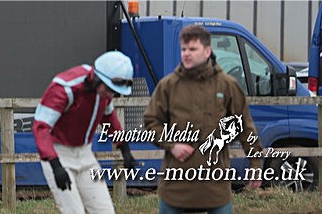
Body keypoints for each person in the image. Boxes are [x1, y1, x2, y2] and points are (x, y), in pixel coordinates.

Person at [143, 25, 263, 213]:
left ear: (207, 51)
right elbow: (151, 122)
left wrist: (255, 164)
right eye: (184, 49)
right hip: (176, 187)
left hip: (215, 187)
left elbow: (245, 127)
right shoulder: (168, 85)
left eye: (193, 49)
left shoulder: (226, 85)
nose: (187, 54)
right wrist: (172, 145)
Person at [32, 50, 137, 213]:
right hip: (59, 153)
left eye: (115, 92)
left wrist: (124, 148)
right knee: (74, 211)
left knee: (105, 210)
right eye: (109, 89)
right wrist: (55, 164)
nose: (111, 95)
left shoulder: (105, 94)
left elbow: (109, 118)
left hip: (85, 154)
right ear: (97, 78)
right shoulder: (65, 88)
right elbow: (41, 127)